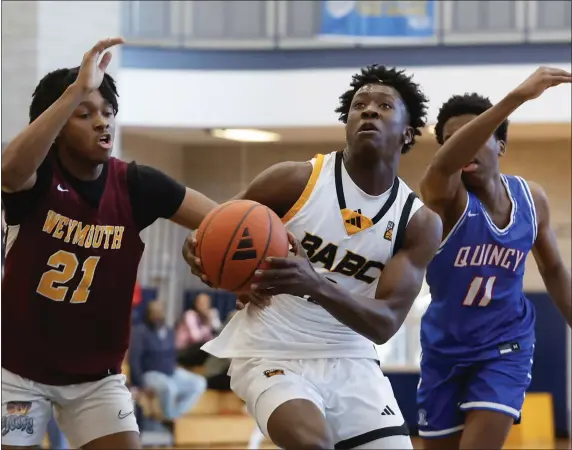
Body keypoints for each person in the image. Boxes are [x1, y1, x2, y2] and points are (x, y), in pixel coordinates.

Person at [183, 65, 443, 449]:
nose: (369, 111)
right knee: (313, 443)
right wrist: (206, 258)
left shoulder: (417, 222)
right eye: (360, 105)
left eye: (384, 105)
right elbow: (210, 238)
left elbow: (385, 323)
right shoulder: (294, 181)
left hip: (351, 357)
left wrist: (315, 283)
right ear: (347, 122)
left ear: (408, 131)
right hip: (271, 348)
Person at [1, 37, 218, 449]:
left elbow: (226, 222)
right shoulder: (36, 178)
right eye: (84, 114)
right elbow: (8, 173)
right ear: (59, 122)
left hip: (95, 378)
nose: (103, 122)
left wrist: (207, 245)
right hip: (18, 371)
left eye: (108, 112)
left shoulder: (137, 185)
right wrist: (74, 91)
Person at [417, 67, 572, 449]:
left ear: (501, 145)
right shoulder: (443, 199)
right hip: (443, 350)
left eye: (478, 136)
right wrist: (517, 97)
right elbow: (441, 166)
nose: (465, 147)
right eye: (453, 141)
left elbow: (552, 268)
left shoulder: (530, 199)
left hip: (505, 345)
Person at [129, 301, 207, 433]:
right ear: (147, 314)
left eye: (159, 311)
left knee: (199, 383)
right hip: (149, 373)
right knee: (169, 388)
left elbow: (172, 355)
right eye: (153, 312)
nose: (156, 315)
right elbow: (134, 360)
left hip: (171, 372)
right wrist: (140, 384)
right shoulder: (139, 332)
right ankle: (169, 419)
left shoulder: (169, 331)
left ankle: (172, 416)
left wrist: (175, 368)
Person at [176, 293, 222, 366]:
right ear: (196, 304)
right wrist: (207, 324)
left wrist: (212, 318)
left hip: (199, 350)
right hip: (184, 350)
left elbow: (219, 331)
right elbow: (196, 338)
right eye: (201, 303)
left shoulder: (212, 313)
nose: (204, 306)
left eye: (206, 303)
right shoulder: (190, 315)